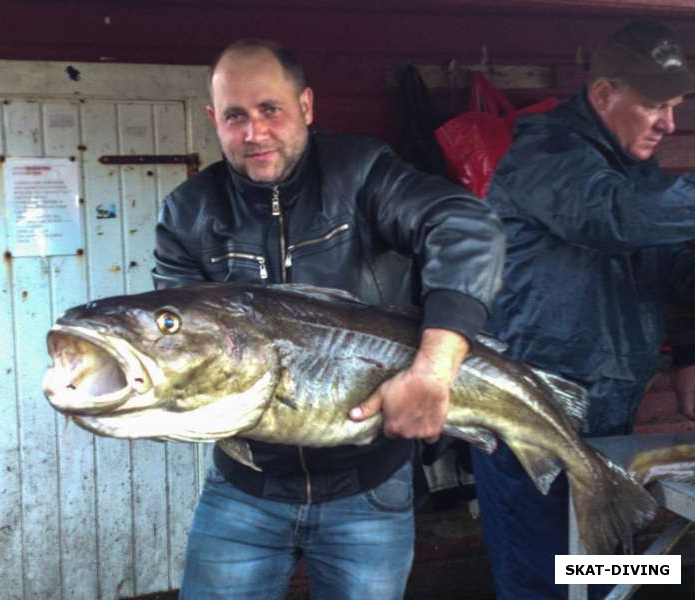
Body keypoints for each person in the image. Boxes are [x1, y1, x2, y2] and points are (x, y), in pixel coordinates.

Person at [152, 38, 505, 600]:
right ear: (214, 120)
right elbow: (175, 352)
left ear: (307, 107)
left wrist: (435, 372)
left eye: (271, 110)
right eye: (235, 116)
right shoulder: (188, 213)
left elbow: (468, 228)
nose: (254, 133)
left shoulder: (361, 173)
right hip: (244, 492)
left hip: (369, 488)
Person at [470, 20, 695, 599]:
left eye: (675, 107)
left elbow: (674, 268)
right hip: (530, 418)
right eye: (654, 106)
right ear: (603, 95)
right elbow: (611, 218)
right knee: (542, 580)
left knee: (604, 575)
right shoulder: (545, 154)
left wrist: (691, 352)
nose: (670, 124)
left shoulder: (635, 173)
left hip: (611, 416)